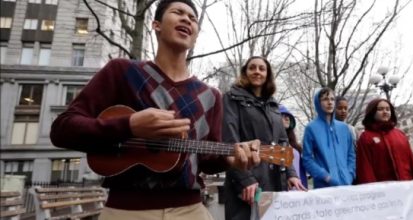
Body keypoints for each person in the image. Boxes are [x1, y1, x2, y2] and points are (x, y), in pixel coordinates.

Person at [50, 1, 260, 219]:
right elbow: (62, 129)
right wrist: (129, 126)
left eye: (193, 18)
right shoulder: (121, 71)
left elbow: (206, 159)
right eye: (178, 12)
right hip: (125, 211)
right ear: (156, 25)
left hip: (191, 210)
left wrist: (230, 160)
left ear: (196, 34)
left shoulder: (211, 96)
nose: (187, 19)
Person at [222, 56, 306, 220]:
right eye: (252, 68)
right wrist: (245, 180)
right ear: (245, 72)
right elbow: (229, 141)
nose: (257, 72)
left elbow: (283, 142)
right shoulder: (231, 98)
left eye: (262, 69)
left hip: (275, 182)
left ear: (268, 74)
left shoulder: (273, 105)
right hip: (247, 186)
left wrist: (291, 174)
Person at [356, 98, 413, 184]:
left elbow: (412, 161)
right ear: (372, 112)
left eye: (388, 109)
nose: (385, 112)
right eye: (380, 109)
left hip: (407, 186)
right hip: (384, 190)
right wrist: (372, 191)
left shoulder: (400, 134)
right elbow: (365, 167)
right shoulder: (365, 137)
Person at [302, 87, 355, 188]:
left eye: (332, 99)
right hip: (324, 186)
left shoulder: (344, 128)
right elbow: (307, 158)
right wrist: (325, 176)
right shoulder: (311, 128)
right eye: (325, 99)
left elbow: (351, 154)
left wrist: (350, 175)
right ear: (318, 102)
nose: (330, 102)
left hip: (346, 184)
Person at [279, 104, 308, 187]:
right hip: (283, 190)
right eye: (283, 116)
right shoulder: (272, 144)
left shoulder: (295, 145)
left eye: (288, 116)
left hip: (298, 188)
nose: (287, 118)